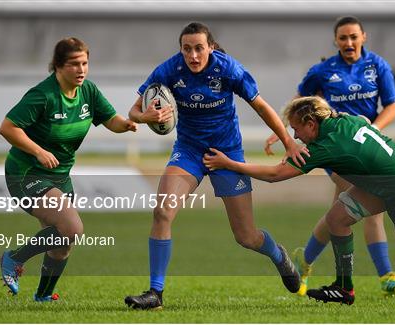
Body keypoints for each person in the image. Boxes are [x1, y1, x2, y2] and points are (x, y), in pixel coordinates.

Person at [204, 96, 395, 305]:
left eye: (296, 130)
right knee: (337, 219)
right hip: (394, 178)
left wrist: (230, 163)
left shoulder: (326, 145)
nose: (295, 136)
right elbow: (364, 124)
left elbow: (276, 175)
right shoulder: (344, 120)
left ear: (311, 123)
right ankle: (344, 288)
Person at [124, 22, 307, 310]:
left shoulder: (228, 69)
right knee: (162, 212)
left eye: (199, 48)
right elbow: (134, 111)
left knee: (246, 236)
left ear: (210, 47)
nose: (193, 55)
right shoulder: (170, 70)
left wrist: (289, 142)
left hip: (227, 154)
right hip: (188, 151)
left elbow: (260, 105)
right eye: (187, 49)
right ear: (181, 50)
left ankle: (278, 255)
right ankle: (155, 293)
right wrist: (148, 117)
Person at [264, 16, 395, 296]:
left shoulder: (377, 66)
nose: (349, 42)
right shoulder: (322, 71)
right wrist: (283, 130)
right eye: (343, 38)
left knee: (337, 214)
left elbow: (391, 106)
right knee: (371, 206)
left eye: (353, 37)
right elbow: (299, 104)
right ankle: (387, 276)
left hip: (367, 149)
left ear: (363, 37)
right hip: (336, 151)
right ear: (336, 41)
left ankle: (303, 261)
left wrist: (373, 130)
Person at [0, 37, 137, 302]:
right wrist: (38, 151)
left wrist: (128, 124)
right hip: (26, 172)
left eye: (84, 63)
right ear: (58, 67)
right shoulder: (43, 95)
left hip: (60, 175)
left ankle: (43, 297)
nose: (81, 69)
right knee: (71, 228)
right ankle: (13, 259)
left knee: (63, 244)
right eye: (74, 64)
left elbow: (111, 121)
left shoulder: (89, 92)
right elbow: (7, 127)